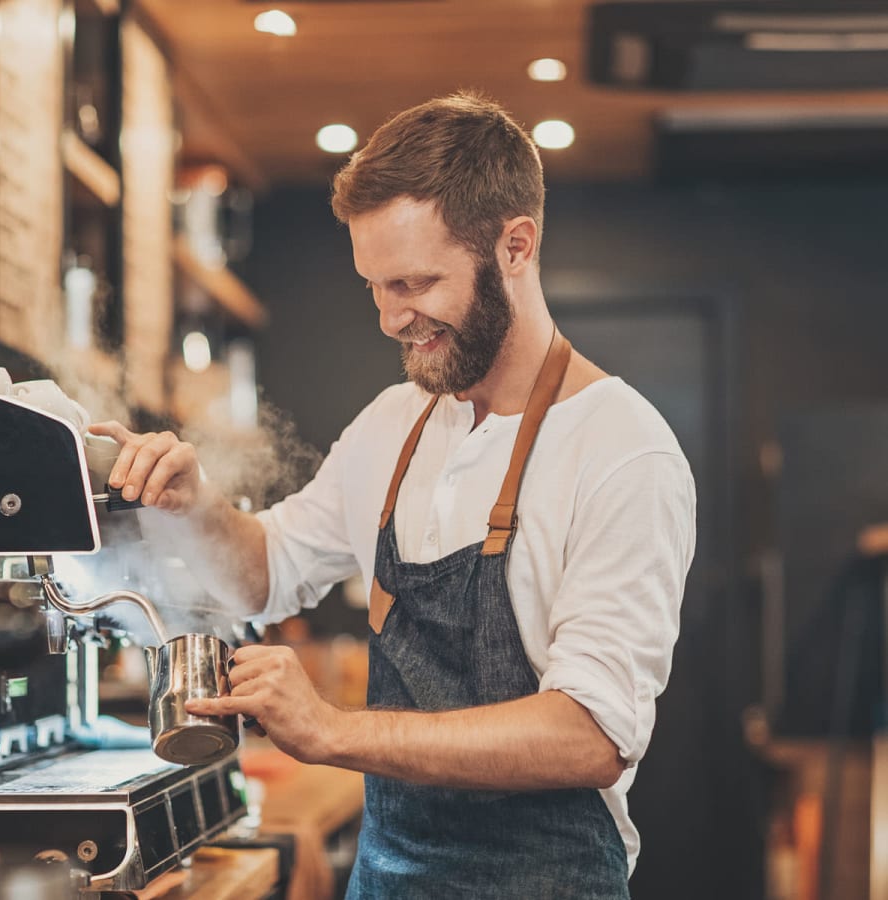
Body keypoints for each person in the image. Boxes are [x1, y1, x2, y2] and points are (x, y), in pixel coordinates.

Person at [90, 91, 696, 898]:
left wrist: (337, 732)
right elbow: (264, 574)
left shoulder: (622, 449)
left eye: (414, 283)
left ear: (516, 246)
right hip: (389, 879)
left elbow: (590, 737)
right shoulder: (396, 424)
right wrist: (194, 504)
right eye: (374, 286)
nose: (389, 318)